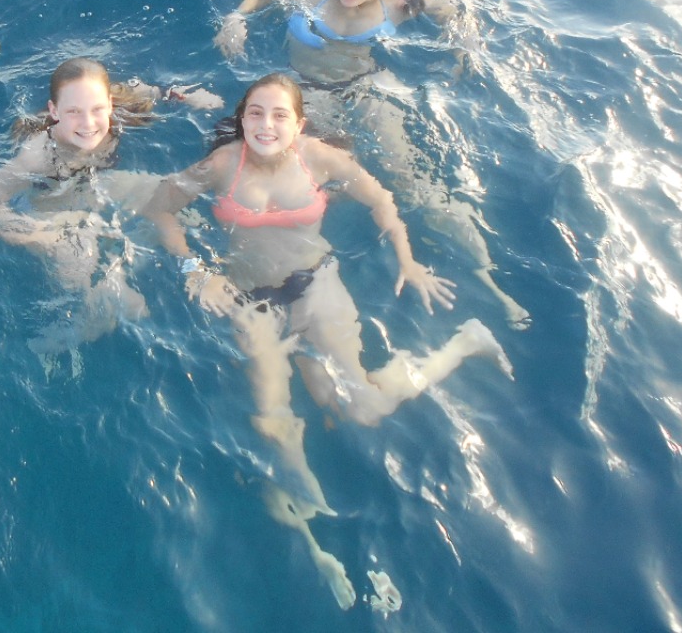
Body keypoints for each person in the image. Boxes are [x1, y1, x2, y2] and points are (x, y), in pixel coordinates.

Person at [144, 73, 511, 610]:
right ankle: (316, 537)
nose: (266, 125)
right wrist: (196, 271)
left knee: (362, 409)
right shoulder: (222, 164)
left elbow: (381, 199)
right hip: (250, 301)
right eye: (255, 113)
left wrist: (407, 259)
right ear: (242, 118)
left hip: (316, 285)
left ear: (298, 124)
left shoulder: (318, 158)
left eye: (279, 116)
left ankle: (464, 343)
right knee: (273, 423)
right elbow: (160, 208)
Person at [214, 0, 529, 329]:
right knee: (307, 182)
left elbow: (451, 6)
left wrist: (465, 49)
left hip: (366, 89)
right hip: (309, 93)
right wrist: (236, 19)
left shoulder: (399, 4)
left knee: (415, 182)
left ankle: (488, 277)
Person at [0, 57, 222, 353]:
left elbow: (157, 90)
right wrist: (41, 236)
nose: (88, 123)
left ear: (110, 103)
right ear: (54, 111)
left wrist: (186, 95)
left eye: (97, 109)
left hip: (94, 185)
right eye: (73, 111)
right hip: (49, 204)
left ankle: (183, 272)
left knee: (176, 199)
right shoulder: (38, 155)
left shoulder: (118, 106)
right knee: (83, 252)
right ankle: (91, 316)